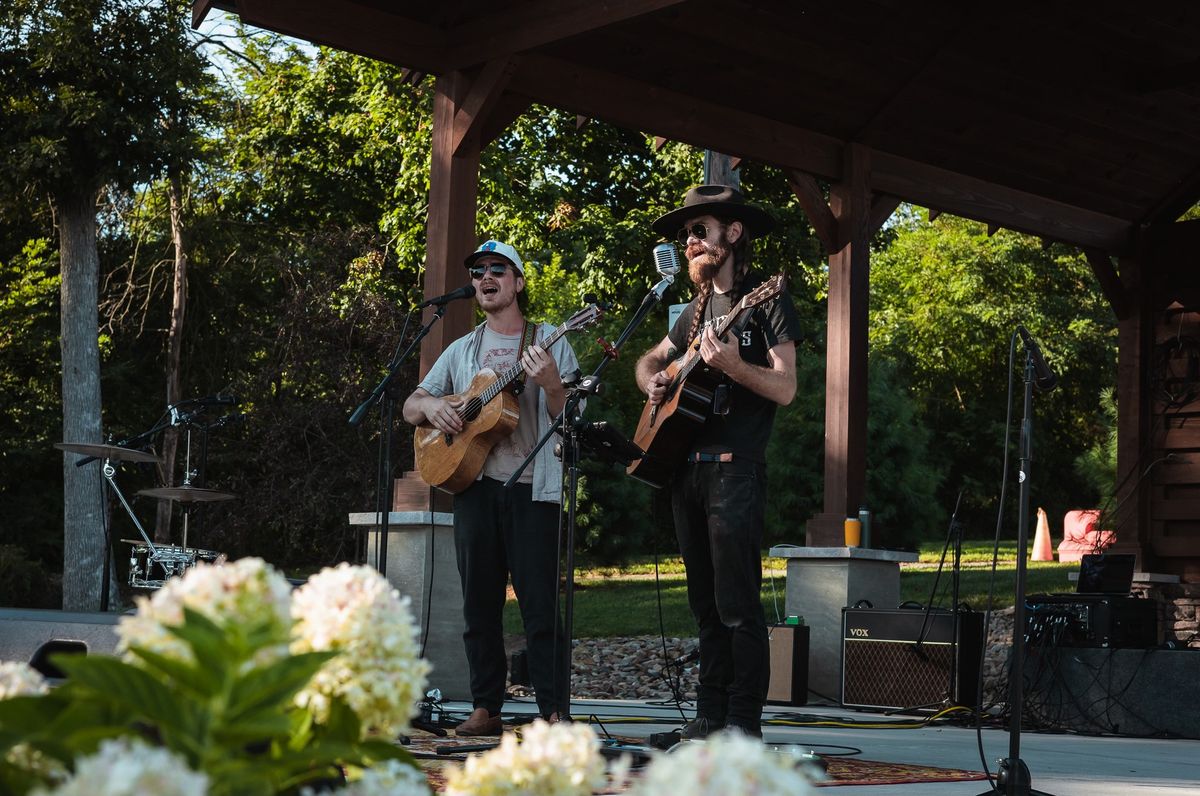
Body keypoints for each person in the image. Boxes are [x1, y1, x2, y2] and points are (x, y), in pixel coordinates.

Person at [635, 185, 801, 738]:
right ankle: (708, 718)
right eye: (686, 235)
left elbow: (785, 388)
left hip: (735, 469)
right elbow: (651, 360)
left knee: (737, 605)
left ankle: (744, 723)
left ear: (732, 233)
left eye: (699, 230)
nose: (689, 242)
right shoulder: (696, 309)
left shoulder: (766, 298)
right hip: (686, 468)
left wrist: (732, 366)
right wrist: (655, 381)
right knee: (704, 606)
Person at [403, 239, 578, 735]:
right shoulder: (462, 350)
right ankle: (487, 708)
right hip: (474, 489)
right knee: (478, 605)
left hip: (531, 491)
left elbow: (572, 424)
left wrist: (551, 385)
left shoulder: (550, 341)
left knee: (539, 606)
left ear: (518, 282)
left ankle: (552, 713)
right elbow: (412, 405)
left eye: (497, 270)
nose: (485, 277)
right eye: (478, 271)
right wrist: (433, 408)